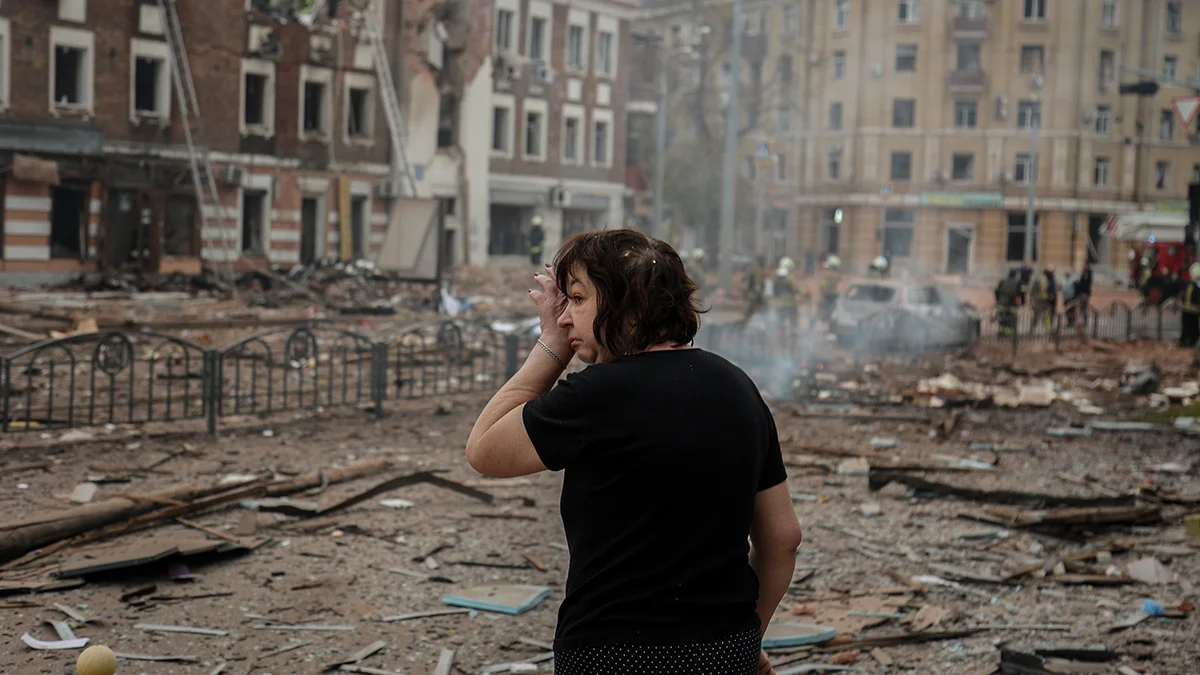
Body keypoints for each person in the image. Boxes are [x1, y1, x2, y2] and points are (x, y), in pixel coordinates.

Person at [465, 229, 804, 675]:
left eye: (578, 299)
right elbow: (783, 537)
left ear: (629, 307)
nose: (563, 317)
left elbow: (484, 448)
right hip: (725, 651)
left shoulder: (599, 394)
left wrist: (550, 346)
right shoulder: (738, 388)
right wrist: (745, 638)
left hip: (612, 654)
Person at [994, 270, 1021, 337]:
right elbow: (1021, 293)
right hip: (1012, 304)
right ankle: (1010, 334)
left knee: (1002, 319)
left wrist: (998, 299)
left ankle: (1001, 333)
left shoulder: (1002, 282)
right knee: (1011, 320)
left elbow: (996, 291)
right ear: (1015, 275)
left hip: (1002, 303)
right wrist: (1022, 302)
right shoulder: (1018, 283)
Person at [1181, 262, 1200, 348]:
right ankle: (1191, 342)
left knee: (1186, 328)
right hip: (1193, 311)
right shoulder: (1195, 286)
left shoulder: (1188, 285)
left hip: (1186, 310)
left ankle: (1185, 342)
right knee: (1193, 328)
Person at [1076, 262, 1093, 327]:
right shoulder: (1083, 273)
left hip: (1085, 293)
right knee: (1081, 308)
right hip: (1081, 293)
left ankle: (1085, 322)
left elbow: (1087, 283)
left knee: (1084, 308)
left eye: (1084, 266)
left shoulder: (1088, 273)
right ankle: (1082, 322)